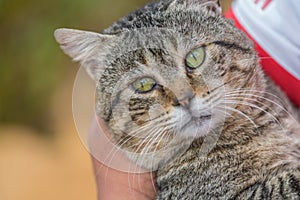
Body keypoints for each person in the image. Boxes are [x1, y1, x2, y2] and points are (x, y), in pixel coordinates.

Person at [90, 1, 300, 199]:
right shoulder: (186, 167)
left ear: (211, 8)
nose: (183, 97)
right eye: (144, 85)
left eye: (194, 59)